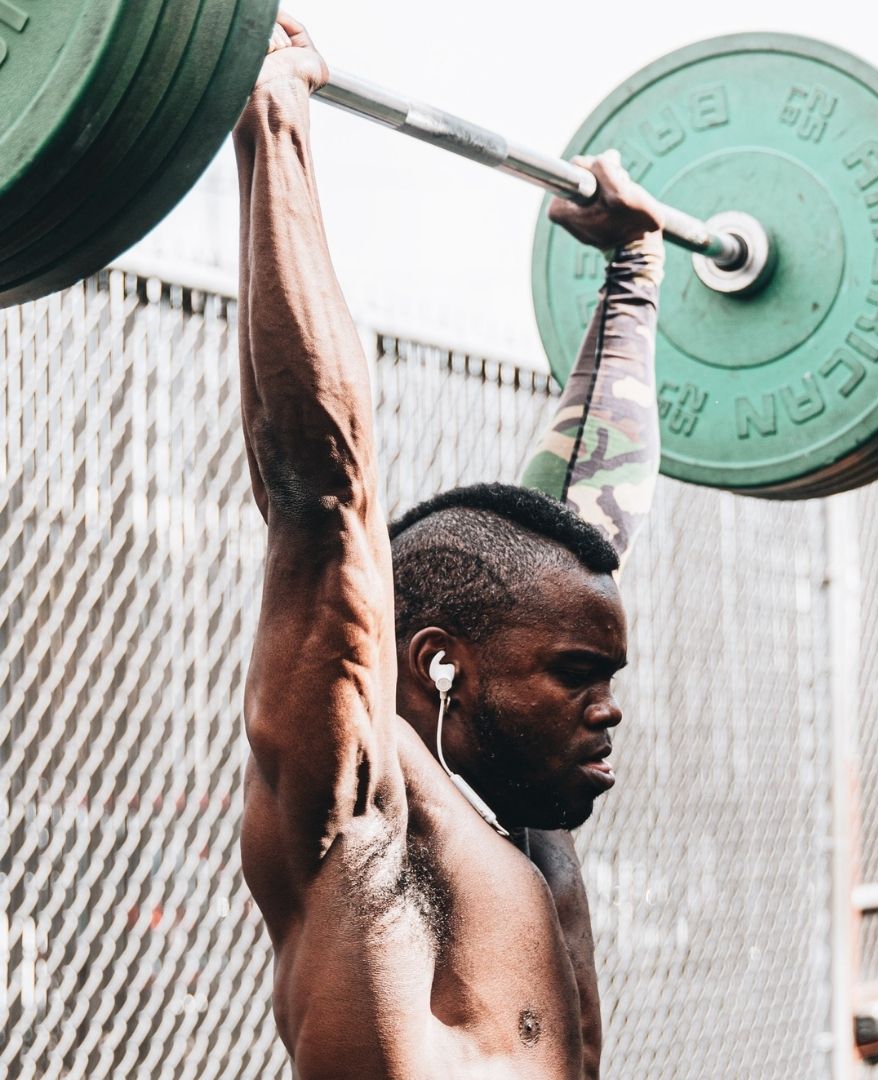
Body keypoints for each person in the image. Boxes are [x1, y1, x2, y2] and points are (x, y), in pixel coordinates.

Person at [234, 15, 665, 1078]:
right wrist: (270, 121)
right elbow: (319, 494)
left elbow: (575, 534)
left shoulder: (525, 815)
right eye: (577, 677)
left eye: (604, 675)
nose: (608, 707)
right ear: (437, 664)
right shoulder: (361, 818)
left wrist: (635, 280)